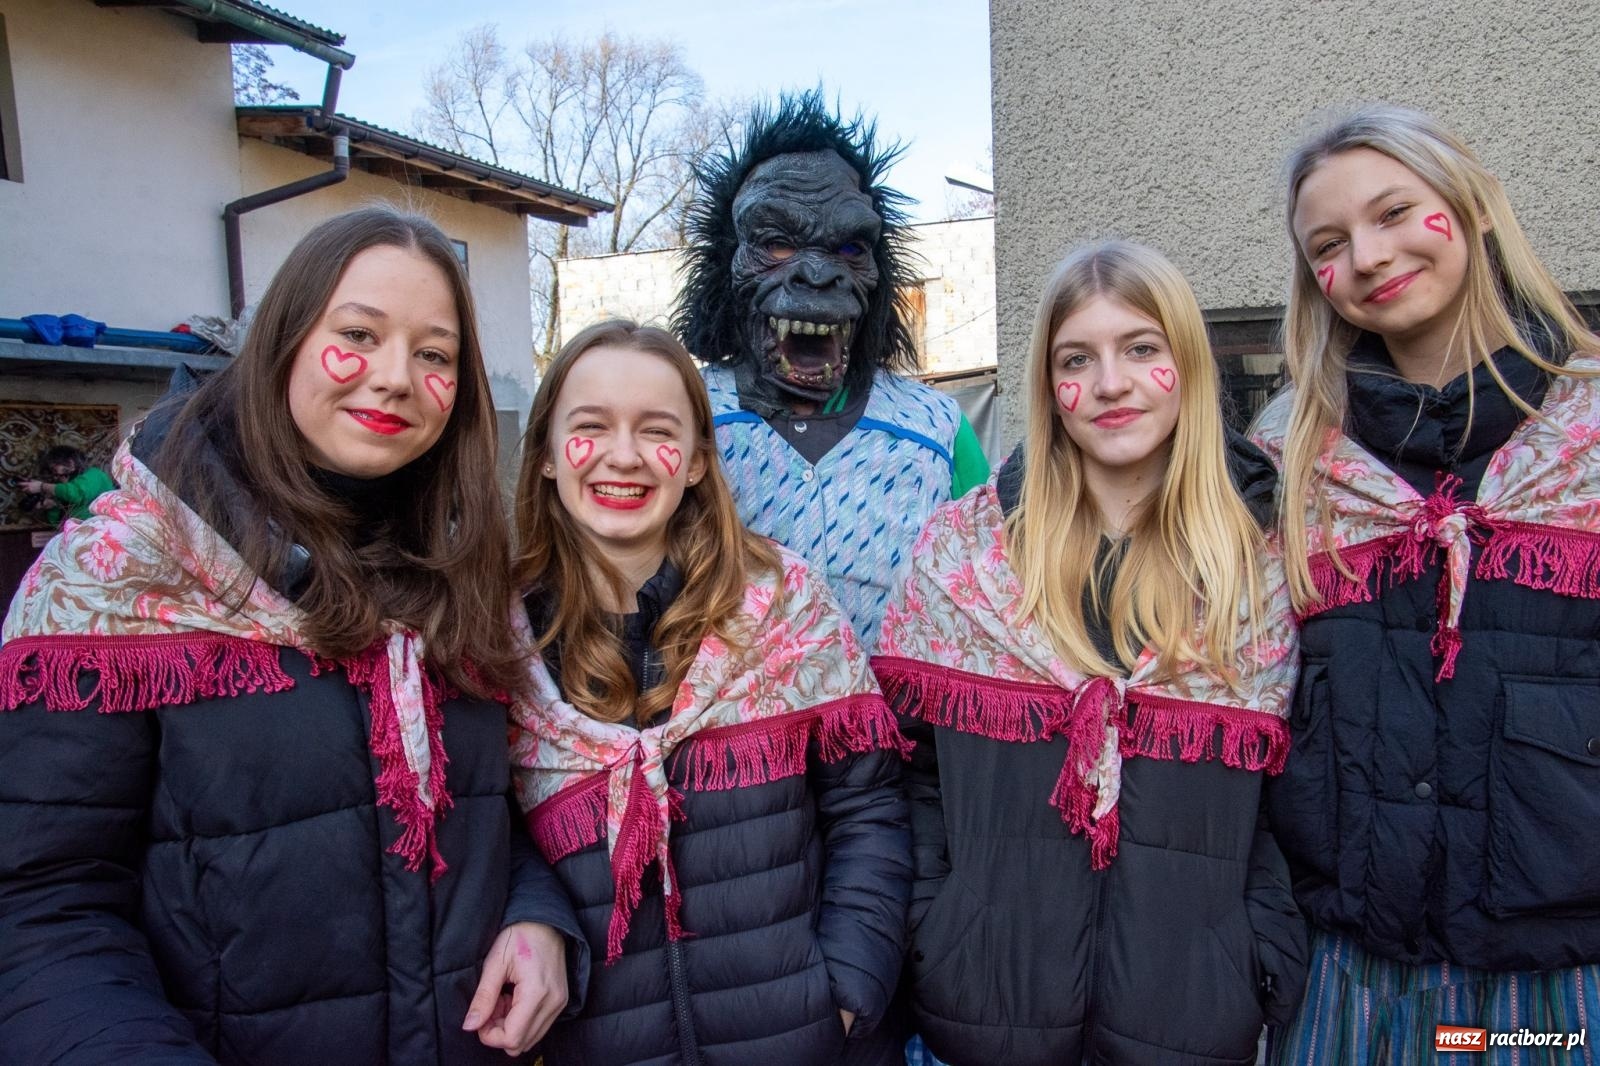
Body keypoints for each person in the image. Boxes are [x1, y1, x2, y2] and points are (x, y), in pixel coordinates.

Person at [0, 206, 581, 1064]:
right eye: (358, 334)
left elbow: (494, 815)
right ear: (282, 339)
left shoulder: (465, 584)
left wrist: (540, 917)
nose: (392, 377)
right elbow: (41, 904)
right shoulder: (122, 579)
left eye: (433, 355)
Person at [875, 241, 1307, 1065]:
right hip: (984, 1016)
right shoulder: (964, 557)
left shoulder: (1267, 564)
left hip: (1194, 1019)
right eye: (1079, 358)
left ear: (1186, 360)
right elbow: (906, 772)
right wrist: (938, 926)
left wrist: (1256, 954)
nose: (1111, 383)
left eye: (1142, 349)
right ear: (1049, 388)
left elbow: (1299, 796)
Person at [1251, 104, 1600, 1064]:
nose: (1366, 256)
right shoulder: (1286, 466)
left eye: (1396, 211)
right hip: (1349, 988)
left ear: (1471, 207)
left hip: (1554, 996)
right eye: (1329, 242)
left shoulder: (1590, 437)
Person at [507, 319, 913, 1066]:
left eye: (655, 430)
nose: (622, 455)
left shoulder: (787, 610)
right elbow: (484, 841)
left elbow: (869, 808)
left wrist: (848, 992)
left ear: (695, 461)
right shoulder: (497, 650)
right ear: (543, 457)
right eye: (590, 427)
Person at [673, 90, 990, 653]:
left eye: (847, 246)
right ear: (727, 261)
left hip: (904, 734)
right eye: (775, 243)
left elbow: (996, 589)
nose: (816, 274)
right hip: (729, 735)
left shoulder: (937, 428)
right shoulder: (679, 414)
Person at [19, 444, 115, 525]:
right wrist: (53, 507)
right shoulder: (65, 488)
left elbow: (76, 494)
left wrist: (41, 486)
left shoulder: (93, 474)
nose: (55, 475)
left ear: (71, 462)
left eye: (54, 468)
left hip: (101, 531)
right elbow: (57, 524)